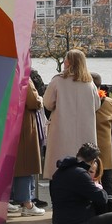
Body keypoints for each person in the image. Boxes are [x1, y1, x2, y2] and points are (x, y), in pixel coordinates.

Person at [42, 49, 98, 179]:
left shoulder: (58, 80)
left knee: (59, 167)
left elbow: (48, 103)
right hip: (85, 130)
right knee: (84, 167)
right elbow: (96, 105)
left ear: (68, 62)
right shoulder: (90, 83)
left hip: (61, 130)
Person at [9, 74, 44, 217]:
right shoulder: (22, 77)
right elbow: (32, 101)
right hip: (24, 125)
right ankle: (27, 203)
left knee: (12, 165)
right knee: (25, 165)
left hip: (9, 123)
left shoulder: (4, 73)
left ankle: (6, 200)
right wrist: (40, 99)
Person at [91, 72, 112, 196]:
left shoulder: (81, 101)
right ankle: (111, 204)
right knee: (107, 180)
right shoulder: (110, 103)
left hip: (85, 145)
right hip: (105, 147)